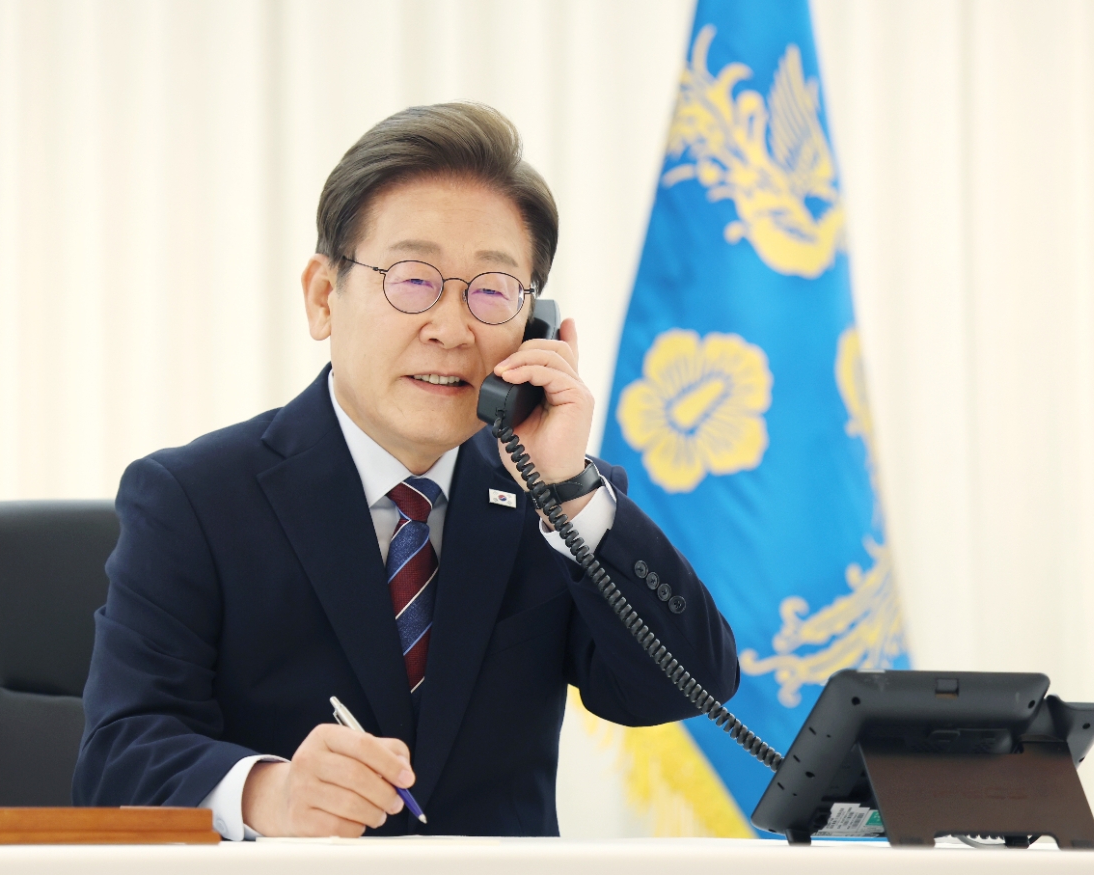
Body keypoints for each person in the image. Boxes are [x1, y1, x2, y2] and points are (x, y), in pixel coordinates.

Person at [73, 102, 739, 839]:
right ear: (324, 298)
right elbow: (118, 757)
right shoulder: (195, 499)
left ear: (534, 324)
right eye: (412, 280)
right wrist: (272, 794)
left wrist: (569, 492)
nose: (451, 329)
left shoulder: (553, 498)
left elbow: (686, 686)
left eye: (491, 290)